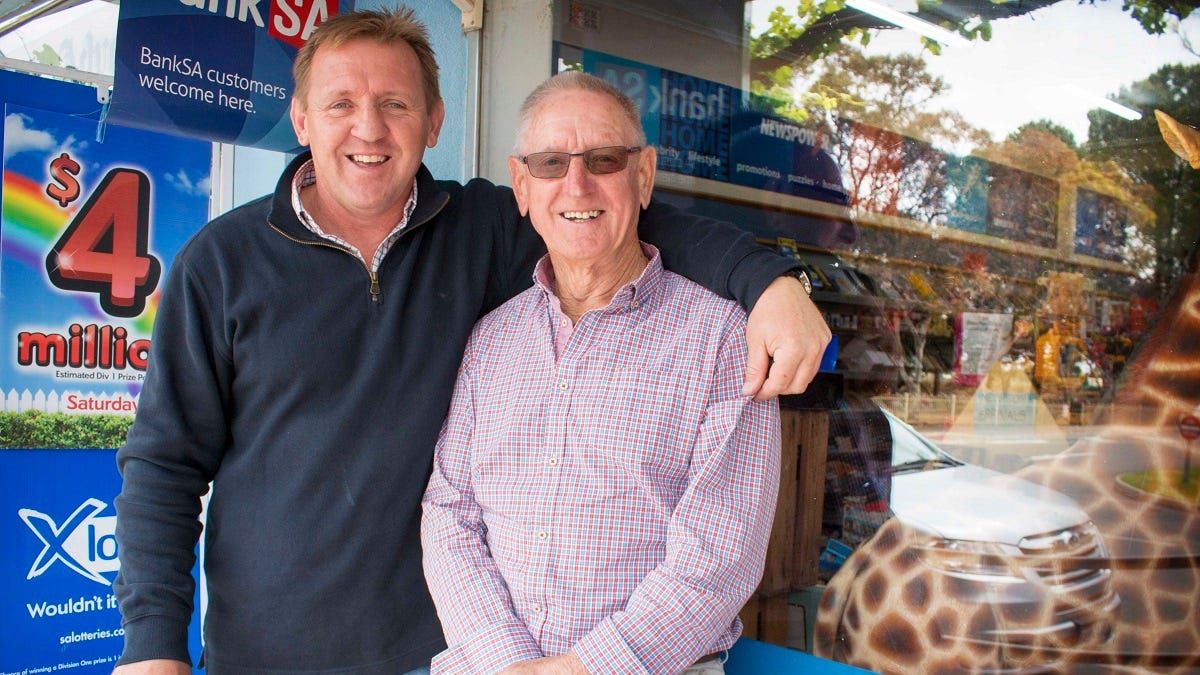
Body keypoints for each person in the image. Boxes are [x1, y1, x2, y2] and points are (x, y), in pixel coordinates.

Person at [112, 8, 826, 675]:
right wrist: (152, 645)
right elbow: (163, 464)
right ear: (302, 118)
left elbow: (612, 219)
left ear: (433, 120)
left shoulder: (479, 228)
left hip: (433, 648)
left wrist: (767, 281)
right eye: (340, 105)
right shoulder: (222, 262)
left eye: (395, 104)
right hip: (266, 648)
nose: (369, 129)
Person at [420, 72, 781, 675]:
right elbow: (450, 509)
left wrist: (587, 668)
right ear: (521, 185)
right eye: (551, 162)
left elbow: (722, 552)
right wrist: (503, 661)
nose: (577, 183)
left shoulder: (720, 338)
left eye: (604, 159)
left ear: (643, 176)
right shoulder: (492, 340)